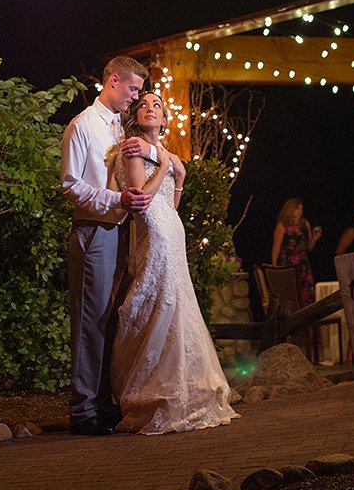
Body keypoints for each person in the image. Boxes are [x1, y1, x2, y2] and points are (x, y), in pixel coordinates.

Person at [109, 92, 238, 435]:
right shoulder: (135, 146)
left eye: (158, 106)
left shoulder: (164, 152)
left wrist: (178, 178)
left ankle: (184, 387)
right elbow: (140, 199)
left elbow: (170, 203)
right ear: (136, 116)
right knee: (158, 302)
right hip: (153, 231)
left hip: (171, 229)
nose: (150, 108)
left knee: (178, 305)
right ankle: (154, 394)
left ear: (165, 120)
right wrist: (165, 167)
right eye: (143, 104)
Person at [60, 56, 160, 436]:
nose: (136, 97)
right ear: (113, 80)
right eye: (134, 89)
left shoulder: (120, 126)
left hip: (119, 231)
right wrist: (116, 201)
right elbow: (71, 185)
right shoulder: (82, 126)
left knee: (111, 319)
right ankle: (83, 410)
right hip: (93, 231)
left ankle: (103, 403)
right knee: (90, 321)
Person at [270, 197, 321, 310]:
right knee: (291, 294)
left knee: (306, 295)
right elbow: (276, 248)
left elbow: (309, 247)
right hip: (288, 265)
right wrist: (273, 267)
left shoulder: (304, 224)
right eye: (298, 208)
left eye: (301, 209)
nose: (300, 211)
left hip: (303, 265)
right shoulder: (282, 226)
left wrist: (314, 238)